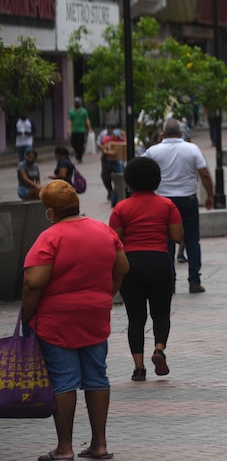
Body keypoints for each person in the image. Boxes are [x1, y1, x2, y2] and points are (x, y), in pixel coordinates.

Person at [22, 180, 129, 461]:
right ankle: (99, 445)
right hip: (95, 317)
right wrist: (104, 295)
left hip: (56, 322)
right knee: (97, 376)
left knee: (64, 380)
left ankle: (64, 448)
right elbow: (122, 267)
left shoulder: (49, 237)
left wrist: (27, 315)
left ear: (51, 212)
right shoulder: (103, 230)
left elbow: (34, 282)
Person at [108, 157, 183, 382]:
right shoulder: (167, 205)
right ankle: (159, 349)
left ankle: (139, 368)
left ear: (129, 180)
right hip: (159, 262)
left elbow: (113, 241)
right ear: (157, 179)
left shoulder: (121, 208)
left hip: (131, 264)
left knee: (135, 318)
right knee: (161, 313)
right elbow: (177, 237)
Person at [143, 119, 214, 293]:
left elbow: (141, 167)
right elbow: (204, 173)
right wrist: (210, 195)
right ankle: (194, 281)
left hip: (163, 201)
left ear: (163, 133)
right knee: (192, 240)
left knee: (166, 241)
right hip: (188, 199)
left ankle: (170, 282)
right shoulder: (192, 149)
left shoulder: (153, 151)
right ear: (181, 133)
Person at [96, 124, 126, 207]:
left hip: (118, 162)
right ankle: (112, 196)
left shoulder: (121, 138)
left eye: (117, 129)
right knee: (106, 177)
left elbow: (126, 146)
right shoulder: (107, 138)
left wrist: (124, 135)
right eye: (114, 129)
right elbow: (104, 149)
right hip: (108, 161)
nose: (116, 131)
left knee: (119, 180)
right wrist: (110, 153)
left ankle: (115, 198)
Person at [66, 97, 93, 164]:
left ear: (80, 103)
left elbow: (87, 120)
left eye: (78, 103)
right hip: (74, 130)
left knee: (80, 144)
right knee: (73, 143)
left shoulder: (84, 111)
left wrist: (89, 128)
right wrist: (69, 128)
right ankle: (79, 152)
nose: (77, 104)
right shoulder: (71, 112)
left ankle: (79, 157)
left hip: (82, 130)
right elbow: (69, 120)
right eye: (76, 103)